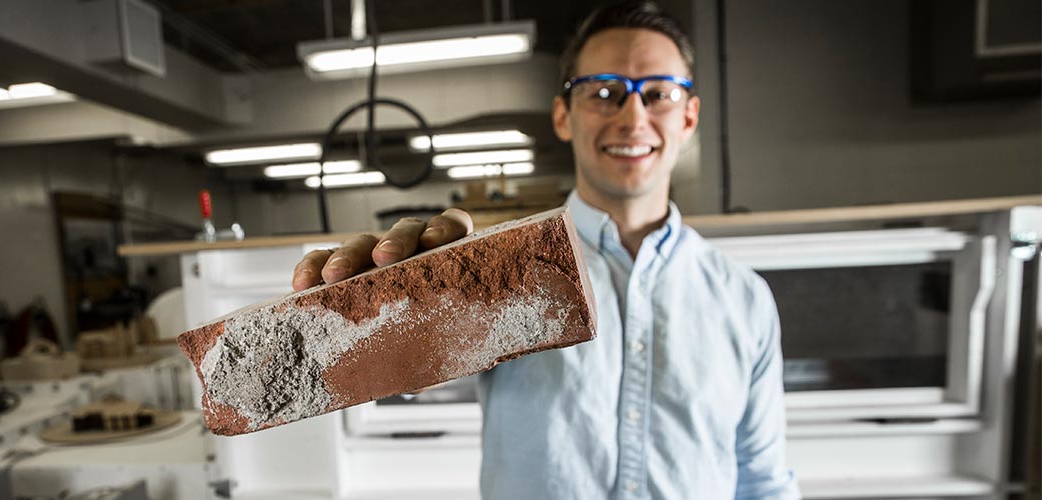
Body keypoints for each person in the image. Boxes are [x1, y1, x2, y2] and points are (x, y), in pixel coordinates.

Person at [292, 2, 801, 498]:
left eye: (659, 93)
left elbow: (763, 480)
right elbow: (399, 364)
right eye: (605, 92)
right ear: (563, 116)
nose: (633, 116)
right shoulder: (503, 273)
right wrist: (381, 305)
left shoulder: (744, 298)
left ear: (689, 118)